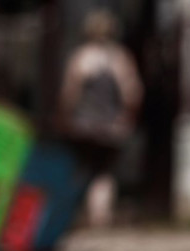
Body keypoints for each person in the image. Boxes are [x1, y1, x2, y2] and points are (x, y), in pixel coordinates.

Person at [59, 9, 143, 228]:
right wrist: (126, 116)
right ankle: (100, 217)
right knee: (104, 173)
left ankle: (72, 215)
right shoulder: (119, 58)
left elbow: (70, 93)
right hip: (111, 127)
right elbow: (132, 93)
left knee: (81, 169)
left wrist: (66, 117)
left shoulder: (82, 57)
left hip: (83, 125)